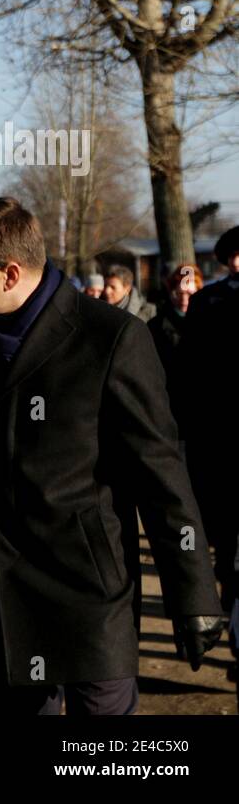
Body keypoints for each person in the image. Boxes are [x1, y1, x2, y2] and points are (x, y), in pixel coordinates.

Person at [0, 197, 223, 715]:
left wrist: (194, 593)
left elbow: (160, 475)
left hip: (90, 593)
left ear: (10, 272)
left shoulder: (110, 339)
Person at [181, 226, 239, 642]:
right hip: (216, 442)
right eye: (232, 256)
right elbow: (188, 376)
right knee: (223, 539)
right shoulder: (206, 304)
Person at [146, 264, 201, 429]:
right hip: (169, 404)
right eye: (179, 293)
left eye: (190, 294)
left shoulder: (210, 322)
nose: (184, 300)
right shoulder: (155, 326)